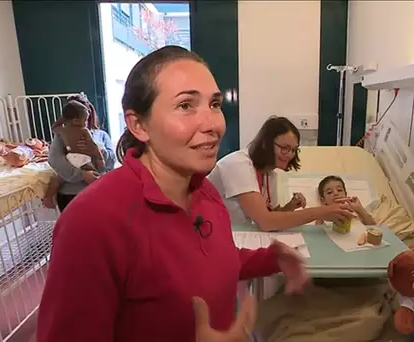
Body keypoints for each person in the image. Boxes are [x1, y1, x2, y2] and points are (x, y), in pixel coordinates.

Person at [37, 46, 309, 342]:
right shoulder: (92, 222)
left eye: (215, 105)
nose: (213, 125)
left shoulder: (205, 193)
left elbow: (207, 262)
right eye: (186, 106)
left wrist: (271, 258)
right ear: (139, 125)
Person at [208, 116, 355, 231]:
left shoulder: (270, 175)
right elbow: (266, 221)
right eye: (285, 148)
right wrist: (321, 212)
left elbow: (275, 214)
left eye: (293, 149)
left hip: (238, 233)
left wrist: (291, 206)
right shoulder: (238, 165)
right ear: (265, 144)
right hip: (208, 232)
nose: (290, 154)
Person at [46, 94, 116, 211]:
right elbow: (55, 160)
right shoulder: (62, 136)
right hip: (71, 194)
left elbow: (111, 162)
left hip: (98, 191)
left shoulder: (101, 135)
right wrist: (82, 175)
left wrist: (96, 151)